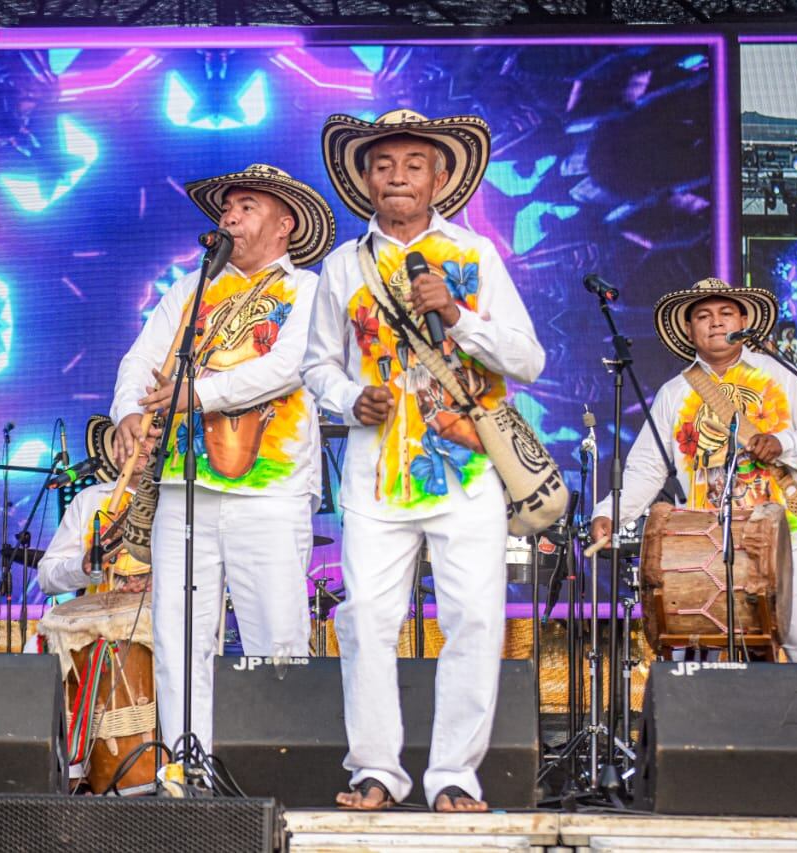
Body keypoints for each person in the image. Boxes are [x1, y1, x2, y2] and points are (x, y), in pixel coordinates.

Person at [303, 109, 544, 812]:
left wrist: (460, 315)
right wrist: (352, 399)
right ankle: (376, 769)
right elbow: (317, 365)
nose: (398, 175)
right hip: (376, 480)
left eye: (414, 164)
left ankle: (454, 777)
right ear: (366, 179)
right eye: (384, 165)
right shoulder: (343, 265)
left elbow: (529, 358)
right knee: (364, 620)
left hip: (467, 474)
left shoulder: (476, 256)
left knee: (473, 619)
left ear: (440, 176)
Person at [111, 164, 335, 758]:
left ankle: (278, 764)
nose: (229, 216)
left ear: (285, 224)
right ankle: (188, 767)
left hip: (271, 488)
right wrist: (126, 413)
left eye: (246, 207)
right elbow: (140, 360)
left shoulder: (309, 290)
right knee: (179, 634)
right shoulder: (190, 290)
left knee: (276, 635)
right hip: (184, 489)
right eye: (226, 207)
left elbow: (288, 366)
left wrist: (198, 394)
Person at [591, 277, 797, 664]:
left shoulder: (779, 375)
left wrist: (783, 443)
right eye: (704, 316)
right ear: (690, 331)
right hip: (705, 545)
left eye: (726, 313)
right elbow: (645, 469)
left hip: (785, 537)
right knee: (709, 662)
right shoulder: (675, 393)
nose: (716, 322)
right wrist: (609, 512)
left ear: (743, 320)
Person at [37, 416, 151, 597]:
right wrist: (83, 565)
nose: (139, 443)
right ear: (115, 450)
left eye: (149, 436)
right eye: (129, 435)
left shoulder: (185, 501)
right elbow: (46, 578)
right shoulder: (88, 500)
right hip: (101, 621)